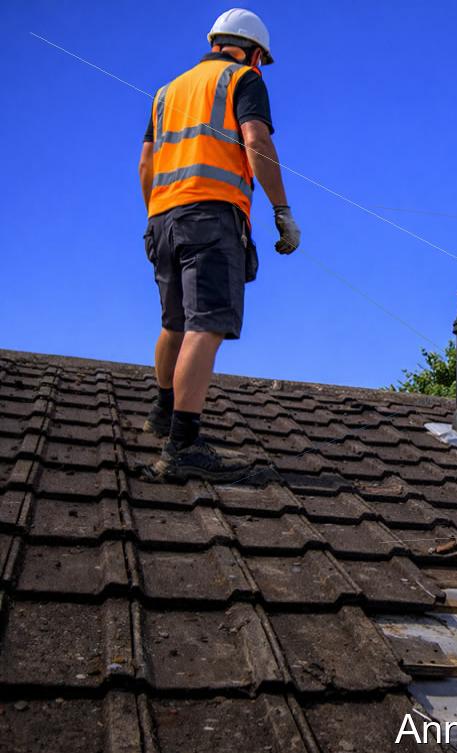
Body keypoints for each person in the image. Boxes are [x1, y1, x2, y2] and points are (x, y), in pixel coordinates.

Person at [137, 9, 301, 482]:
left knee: (174, 322)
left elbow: (146, 162)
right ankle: (182, 445)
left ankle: (163, 413)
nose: (261, 67)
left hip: (163, 216)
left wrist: (154, 215)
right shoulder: (243, 79)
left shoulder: (167, 90)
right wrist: (281, 210)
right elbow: (256, 138)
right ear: (253, 52)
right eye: (261, 60)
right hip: (211, 216)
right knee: (205, 325)